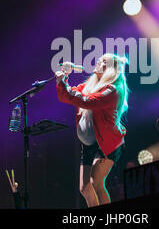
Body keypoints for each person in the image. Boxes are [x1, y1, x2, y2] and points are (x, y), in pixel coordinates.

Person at [55, 54, 129, 207]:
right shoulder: (91, 83)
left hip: (106, 144)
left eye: (102, 61)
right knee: (84, 188)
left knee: (96, 182)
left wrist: (64, 83)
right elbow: (67, 96)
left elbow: (88, 101)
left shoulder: (113, 89)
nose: (97, 62)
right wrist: (63, 79)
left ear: (110, 69)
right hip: (89, 144)